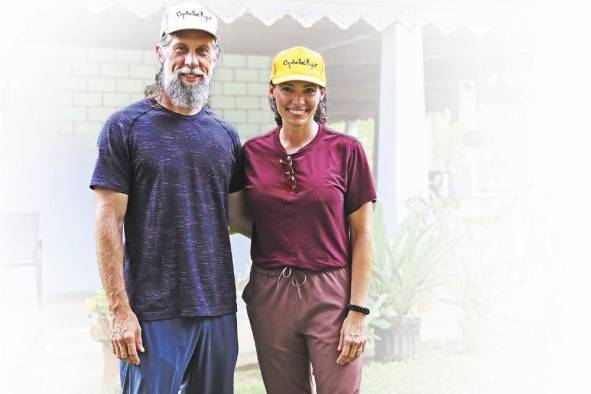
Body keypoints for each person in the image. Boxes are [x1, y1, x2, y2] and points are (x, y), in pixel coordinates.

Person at [89, 2, 244, 393]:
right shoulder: (125, 127)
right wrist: (120, 311)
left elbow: (242, 219)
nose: (191, 61)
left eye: (202, 51)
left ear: (215, 59)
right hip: (153, 313)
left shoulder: (226, 136)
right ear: (161, 53)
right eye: (181, 48)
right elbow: (108, 220)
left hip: (217, 308)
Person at [237, 46, 376, 394]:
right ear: (272, 91)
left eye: (308, 90)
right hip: (271, 291)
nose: (298, 100)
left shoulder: (347, 150)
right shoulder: (251, 153)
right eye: (288, 89)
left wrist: (357, 311)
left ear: (321, 94)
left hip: (331, 290)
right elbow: (238, 218)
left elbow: (363, 234)